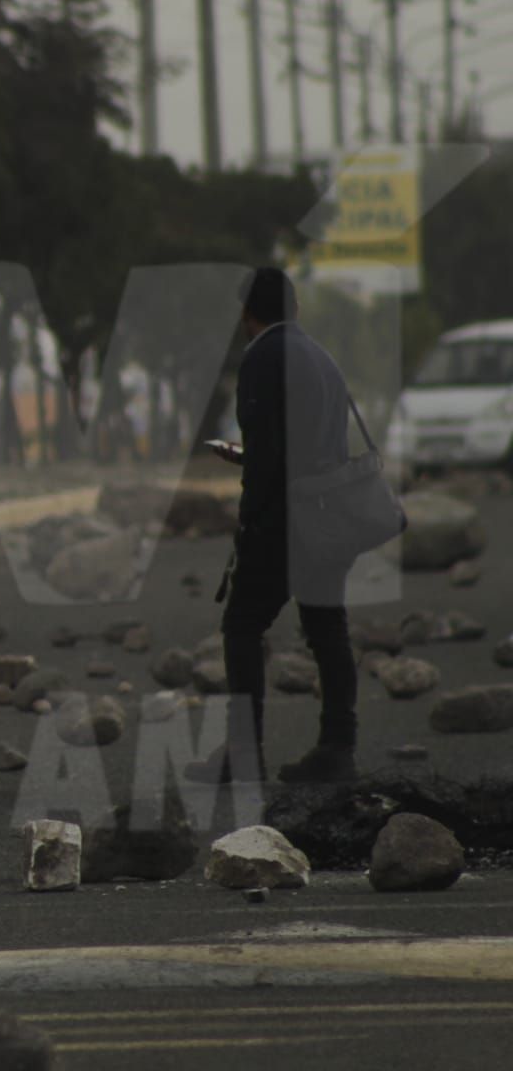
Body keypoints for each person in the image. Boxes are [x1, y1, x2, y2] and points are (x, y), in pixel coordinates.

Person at [188, 268, 360, 785]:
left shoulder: (262, 357)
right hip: (332, 513)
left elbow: (268, 455)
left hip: (285, 519)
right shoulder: (321, 357)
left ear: (246, 314)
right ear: (295, 308)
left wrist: (248, 522)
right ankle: (338, 748)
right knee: (327, 629)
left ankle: (245, 755)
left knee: (242, 626)